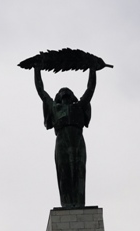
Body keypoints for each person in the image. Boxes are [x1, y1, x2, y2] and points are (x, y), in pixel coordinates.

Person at [33, 66, 96, 209]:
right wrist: (37, 69)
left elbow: (90, 89)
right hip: (62, 141)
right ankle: (67, 203)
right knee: (64, 172)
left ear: (72, 96)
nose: (65, 92)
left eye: (68, 92)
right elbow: (41, 91)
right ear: (58, 97)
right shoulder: (55, 107)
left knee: (79, 171)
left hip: (78, 140)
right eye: (62, 92)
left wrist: (92, 68)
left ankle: (79, 203)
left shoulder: (79, 106)